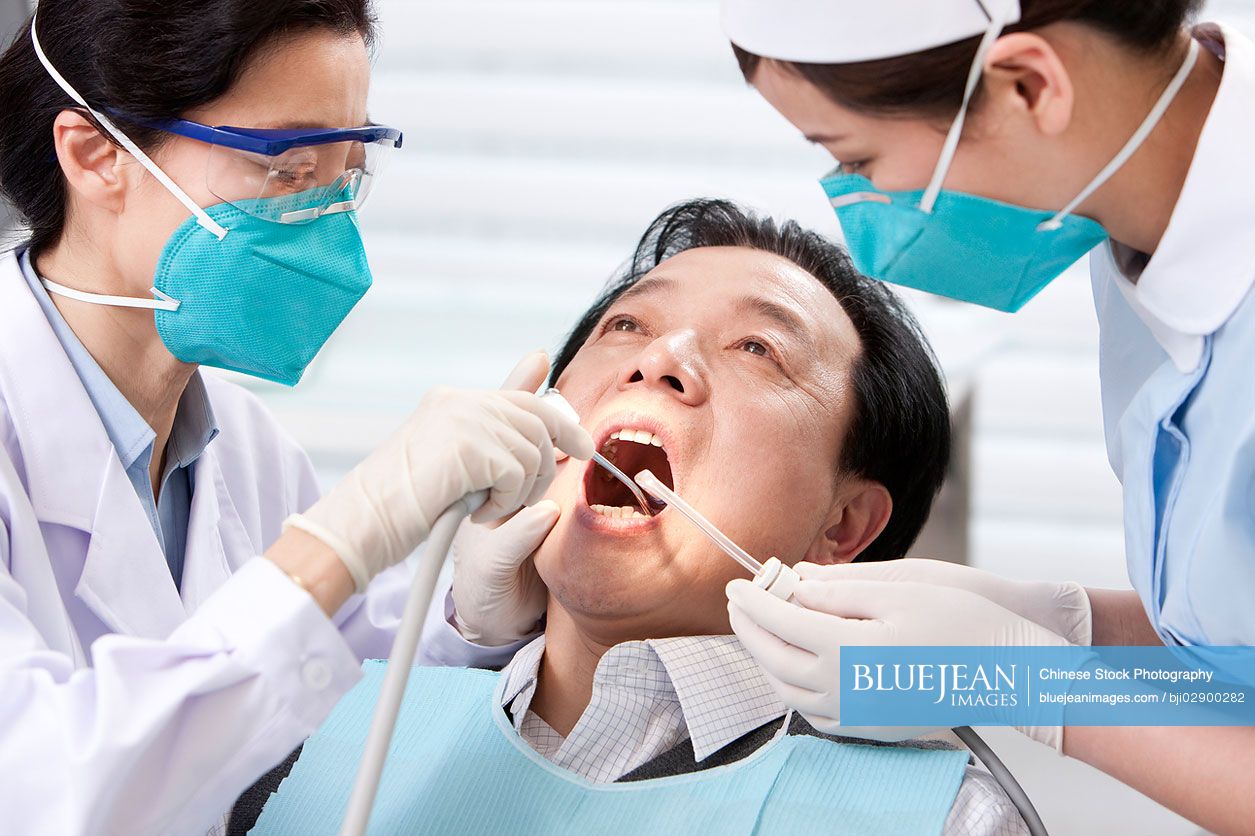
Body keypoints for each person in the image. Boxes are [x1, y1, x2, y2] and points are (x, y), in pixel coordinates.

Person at [241, 199, 1026, 835]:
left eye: (757, 348)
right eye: (627, 325)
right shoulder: (316, 743)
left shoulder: (941, 820)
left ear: (844, 526)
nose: (660, 359)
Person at [0, 2, 590, 834]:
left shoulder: (243, 449)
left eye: (347, 171)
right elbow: (46, 794)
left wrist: (465, 619)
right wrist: (352, 527)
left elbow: (309, 700)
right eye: (287, 167)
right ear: (97, 154)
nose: (326, 222)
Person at [705, 1, 1254, 834]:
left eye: (857, 158)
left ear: (1030, 85)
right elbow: (1234, 647)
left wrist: (1026, 682)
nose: (860, 210)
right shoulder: (1136, 225)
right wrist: (1070, 623)